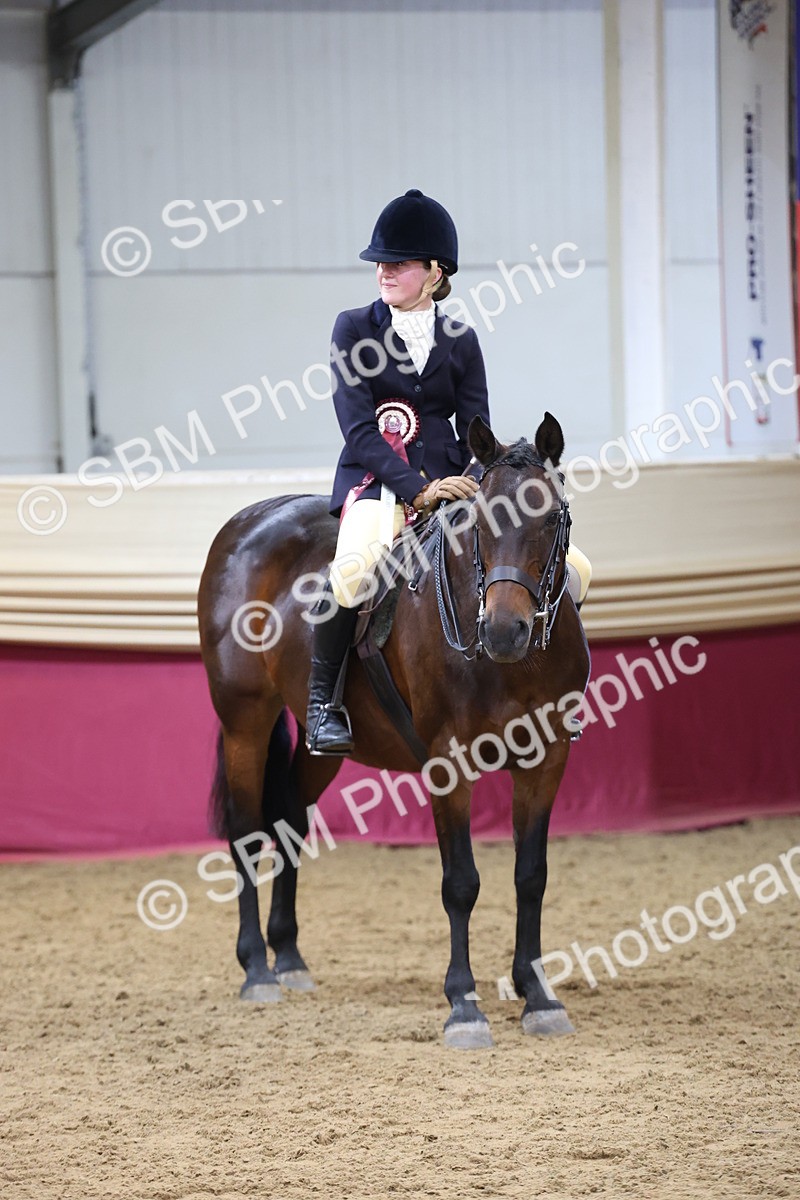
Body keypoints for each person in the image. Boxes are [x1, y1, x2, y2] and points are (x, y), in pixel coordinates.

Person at [305, 189, 592, 756]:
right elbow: (358, 430)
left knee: (577, 569)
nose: (384, 271)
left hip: (456, 488)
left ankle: (551, 693)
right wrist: (419, 489)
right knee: (351, 572)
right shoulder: (352, 329)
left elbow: (476, 433)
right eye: (381, 263)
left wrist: (470, 481)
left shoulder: (461, 341)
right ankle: (324, 705)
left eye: (399, 263)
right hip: (379, 486)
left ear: (436, 272)